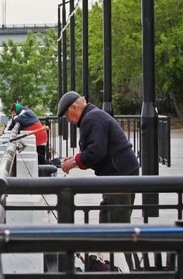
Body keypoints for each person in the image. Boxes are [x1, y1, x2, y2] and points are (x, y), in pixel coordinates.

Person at [57, 91, 140, 224]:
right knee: (108, 213)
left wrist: (74, 162)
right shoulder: (93, 116)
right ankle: (106, 242)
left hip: (119, 173)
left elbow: (96, 151)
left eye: (67, 116)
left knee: (117, 220)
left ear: (73, 107)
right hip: (121, 170)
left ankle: (117, 244)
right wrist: (77, 158)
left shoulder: (91, 118)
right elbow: (97, 148)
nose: (68, 120)